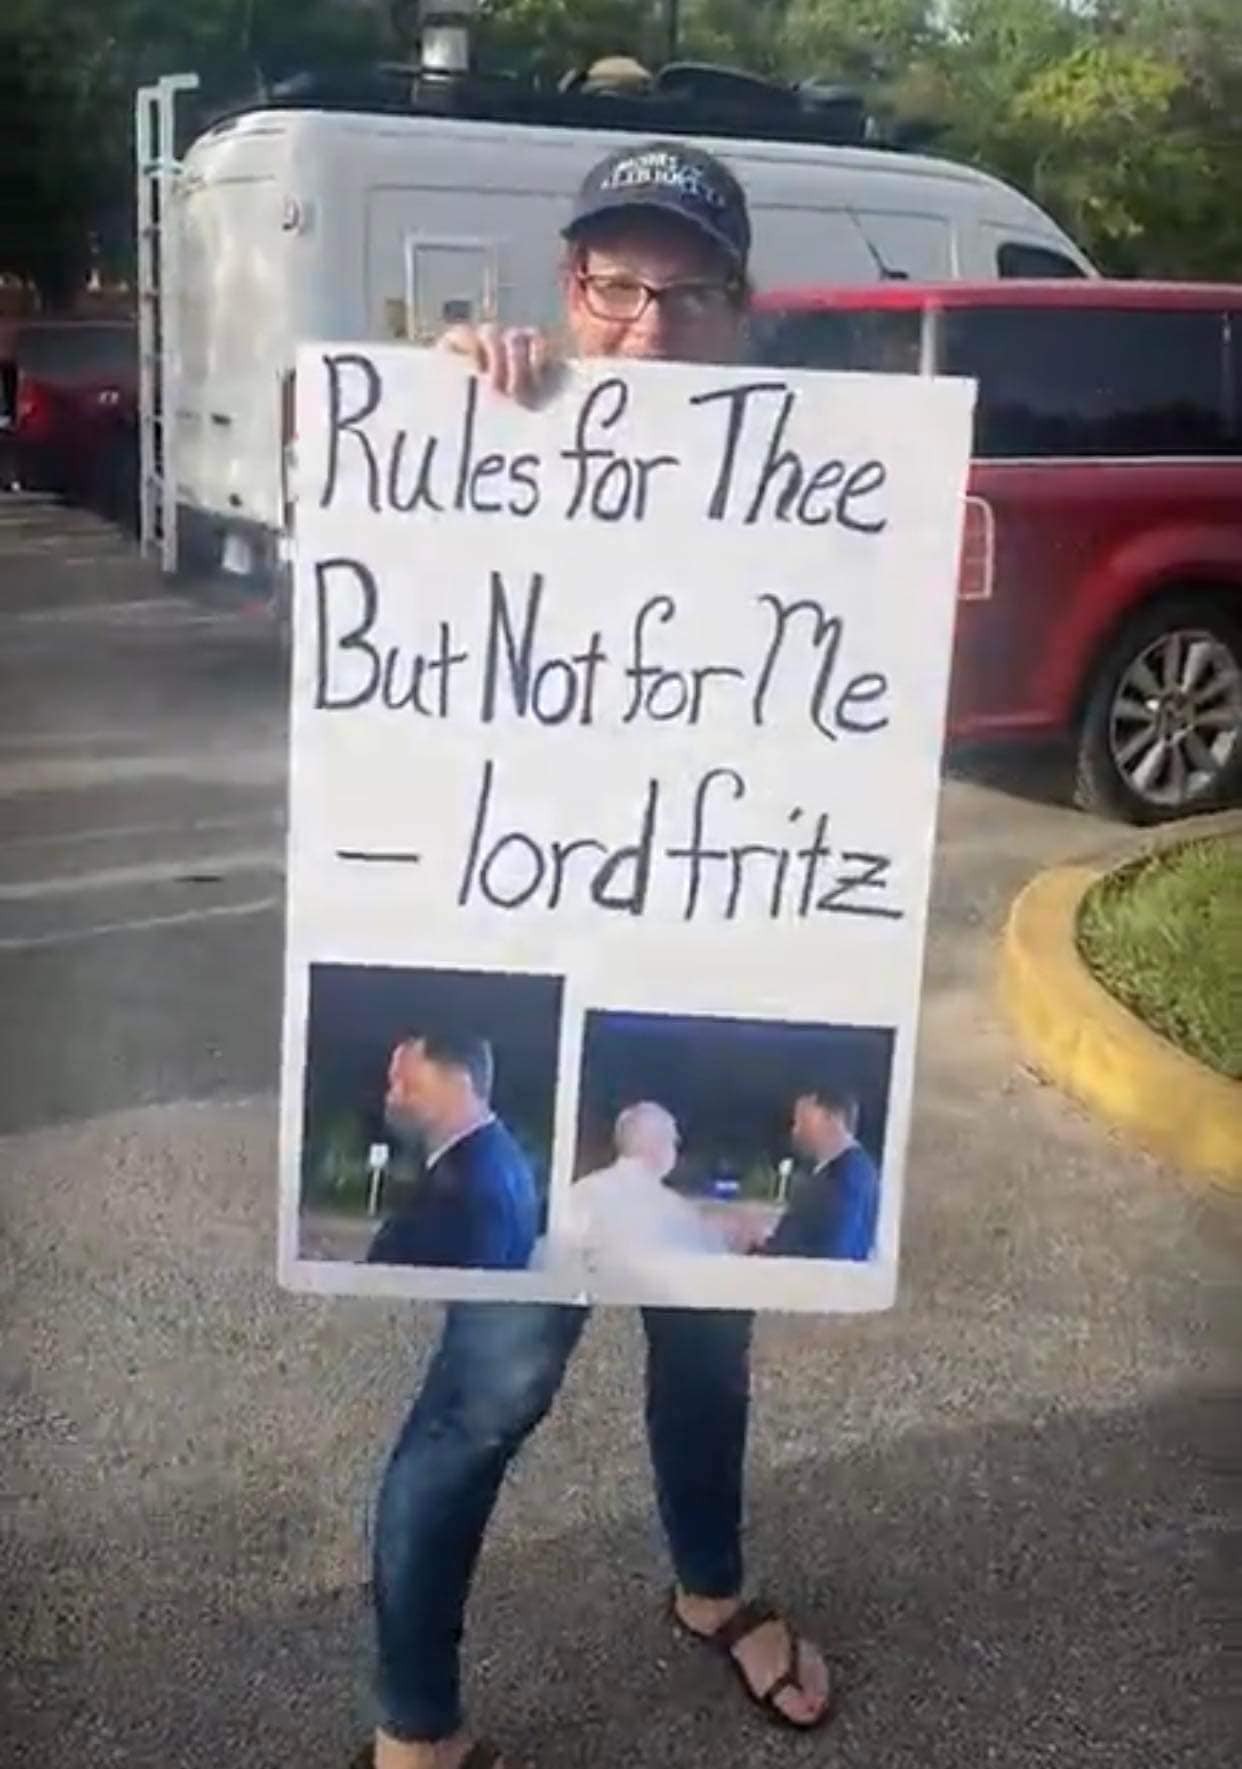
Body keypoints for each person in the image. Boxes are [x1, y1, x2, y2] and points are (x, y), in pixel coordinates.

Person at [359, 142, 833, 1769]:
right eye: (613, 284)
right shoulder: (497, 434)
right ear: (567, 288)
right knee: (490, 1386)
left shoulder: (813, 482)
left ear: (742, 309)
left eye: (687, 291)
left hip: (714, 1007)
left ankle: (710, 1587)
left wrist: (932, 578)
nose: (645, 322)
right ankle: (416, 1727)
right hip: (540, 1011)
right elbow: (376, 619)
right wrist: (430, 424)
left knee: (708, 1347)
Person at [366, 1031, 537, 1272]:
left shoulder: (472, 1184)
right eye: (393, 1084)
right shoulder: (493, 1161)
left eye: (409, 1086)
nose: (392, 1098)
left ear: (458, 1084)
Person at [560, 1101, 729, 1257]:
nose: (674, 1151)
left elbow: (559, 1254)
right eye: (673, 1141)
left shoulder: (582, 1193)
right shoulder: (674, 1210)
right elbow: (706, 1262)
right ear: (657, 1143)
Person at [758, 1083, 880, 1262]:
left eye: (803, 1121)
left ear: (832, 1118)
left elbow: (834, 1256)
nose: (796, 1131)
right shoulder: (839, 1173)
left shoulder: (848, 1178)